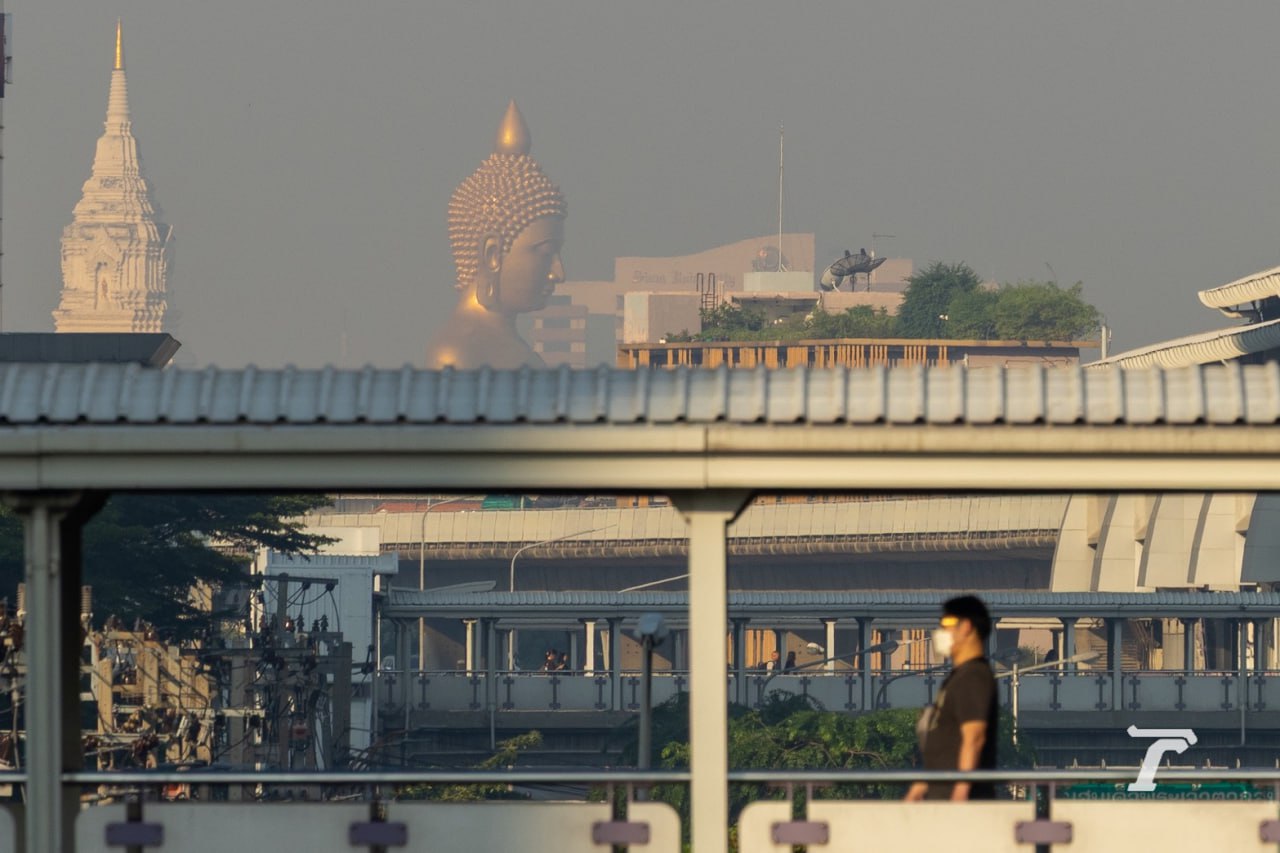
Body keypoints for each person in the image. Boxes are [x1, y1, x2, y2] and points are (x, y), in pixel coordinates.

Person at [425, 100, 568, 369]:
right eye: (546, 253)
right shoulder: (457, 355)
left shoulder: (518, 351)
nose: (558, 273)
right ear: (492, 254)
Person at [906, 595, 998, 802]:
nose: (941, 631)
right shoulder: (957, 677)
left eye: (947, 623)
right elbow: (946, 745)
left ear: (966, 627)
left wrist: (961, 790)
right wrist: (921, 785)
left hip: (959, 801)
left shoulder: (974, 676)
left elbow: (974, 736)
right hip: (939, 796)